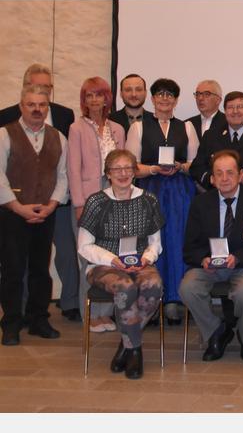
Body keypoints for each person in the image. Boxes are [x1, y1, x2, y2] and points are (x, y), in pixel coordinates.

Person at [0, 63, 79, 323]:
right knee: (12, 269)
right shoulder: (4, 133)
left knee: (40, 269)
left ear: (47, 106)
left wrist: (52, 204)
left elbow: (63, 175)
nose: (37, 109)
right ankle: (11, 321)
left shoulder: (59, 136)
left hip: (47, 211)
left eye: (42, 103)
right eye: (32, 103)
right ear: (22, 105)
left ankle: (38, 319)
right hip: (13, 212)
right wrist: (16, 206)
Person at [180, 150, 243, 362]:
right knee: (188, 288)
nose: (225, 178)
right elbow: (190, 245)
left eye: (230, 173)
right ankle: (217, 331)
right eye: (219, 174)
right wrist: (203, 258)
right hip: (210, 266)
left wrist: (239, 257)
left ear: (240, 175)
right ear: (212, 179)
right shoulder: (200, 203)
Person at [76, 149, 164, 379]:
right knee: (126, 286)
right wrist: (111, 259)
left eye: (128, 168)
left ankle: (126, 343)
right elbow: (84, 246)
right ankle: (134, 351)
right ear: (108, 173)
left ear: (135, 172)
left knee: (154, 285)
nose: (123, 173)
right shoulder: (96, 202)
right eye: (117, 169)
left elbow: (155, 243)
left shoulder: (149, 200)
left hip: (140, 263)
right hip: (103, 266)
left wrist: (146, 258)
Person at [125, 78, 200, 324]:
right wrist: (154, 169)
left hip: (180, 192)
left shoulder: (187, 127)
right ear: (153, 98)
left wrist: (180, 166)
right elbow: (132, 166)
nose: (165, 99)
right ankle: (151, 300)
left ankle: (175, 300)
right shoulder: (138, 127)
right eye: (160, 94)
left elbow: (195, 164)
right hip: (150, 190)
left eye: (170, 95)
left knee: (177, 241)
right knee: (151, 243)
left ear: (176, 100)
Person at [67, 76, 126, 332]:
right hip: (88, 198)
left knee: (111, 256)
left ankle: (106, 315)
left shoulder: (117, 129)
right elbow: (72, 169)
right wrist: (80, 204)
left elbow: (124, 166)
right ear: (84, 100)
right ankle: (89, 314)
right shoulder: (77, 128)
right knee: (88, 258)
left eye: (98, 95)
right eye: (89, 95)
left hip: (114, 197)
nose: (94, 100)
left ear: (106, 99)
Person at [190, 91, 243, 190]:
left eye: (240, 107)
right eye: (230, 107)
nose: (235, 111)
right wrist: (211, 178)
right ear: (225, 111)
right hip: (216, 196)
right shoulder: (210, 136)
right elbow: (197, 168)